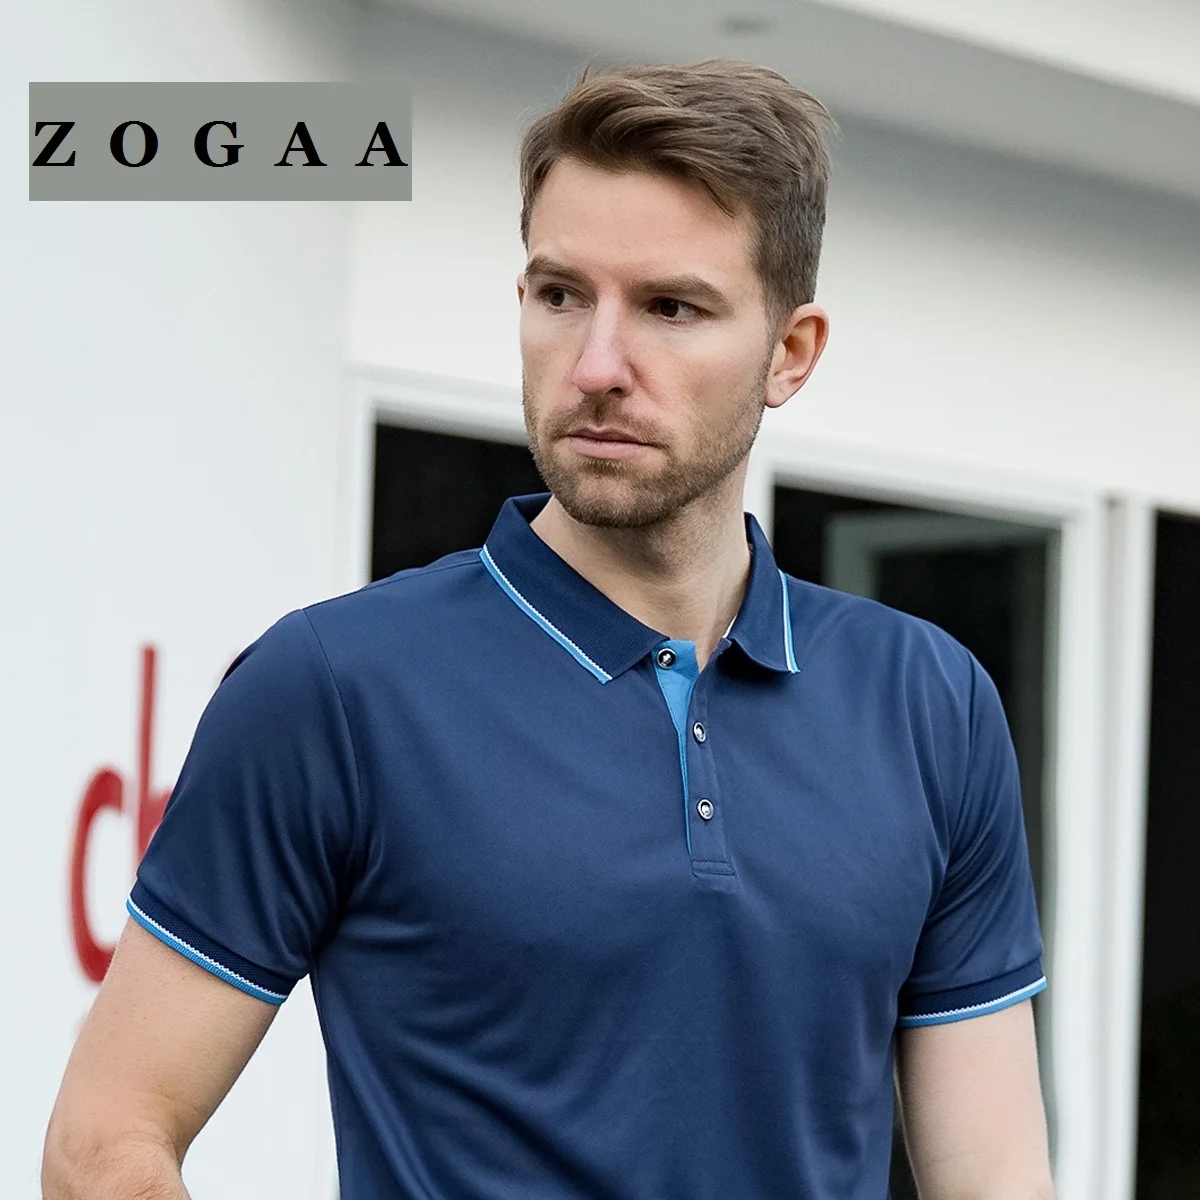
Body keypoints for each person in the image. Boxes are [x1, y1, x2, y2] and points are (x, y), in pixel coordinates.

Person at [42, 60, 1055, 1199]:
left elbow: (996, 1178)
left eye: (670, 308)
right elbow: (104, 1142)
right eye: (561, 295)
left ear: (791, 352)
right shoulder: (334, 688)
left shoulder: (931, 704)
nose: (597, 365)